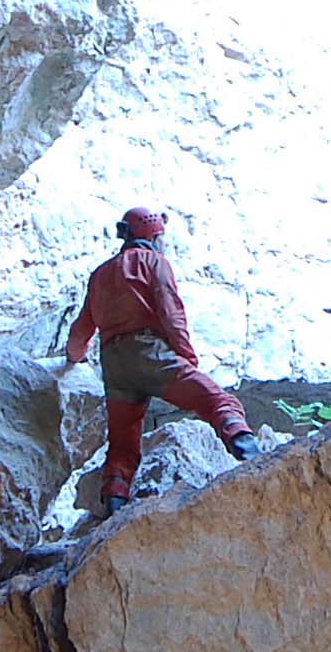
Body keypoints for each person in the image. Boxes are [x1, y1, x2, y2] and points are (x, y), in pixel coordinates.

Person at [61, 206, 260, 508]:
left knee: (122, 447)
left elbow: (81, 330)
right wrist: (186, 358)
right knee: (218, 402)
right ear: (153, 235)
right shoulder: (154, 262)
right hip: (151, 354)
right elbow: (171, 312)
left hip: (114, 365)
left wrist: (72, 357)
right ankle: (256, 460)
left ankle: (114, 508)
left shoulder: (100, 274)